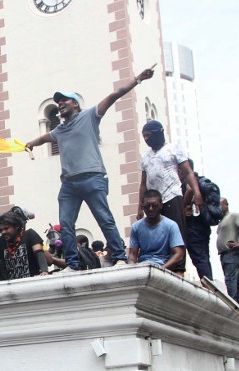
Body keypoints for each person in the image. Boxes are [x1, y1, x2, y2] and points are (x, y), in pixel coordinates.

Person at [23, 65, 157, 269]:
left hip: (92, 178)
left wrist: (138, 79)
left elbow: (114, 95)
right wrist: (31, 143)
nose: (60, 104)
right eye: (57, 102)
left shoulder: (90, 116)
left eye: (64, 100)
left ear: (75, 104)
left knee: (104, 218)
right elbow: (44, 138)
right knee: (66, 225)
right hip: (69, 184)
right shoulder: (59, 130)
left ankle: (120, 256)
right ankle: (73, 264)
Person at [136, 119, 201, 276]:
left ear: (159, 133)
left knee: (176, 232)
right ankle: (162, 264)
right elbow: (143, 184)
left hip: (171, 195)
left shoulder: (173, 149)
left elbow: (187, 172)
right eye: (143, 136)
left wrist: (197, 192)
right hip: (153, 201)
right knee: (157, 233)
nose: (146, 139)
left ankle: (179, 269)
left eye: (149, 135)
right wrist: (140, 206)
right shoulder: (145, 157)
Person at [0, 211, 47, 283]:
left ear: (17, 226)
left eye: (6, 228)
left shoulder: (30, 235)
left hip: (31, 284)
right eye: (1, 230)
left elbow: (39, 252)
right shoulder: (1, 241)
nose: (3, 232)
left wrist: (44, 271)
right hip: (12, 287)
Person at [127, 190, 185, 271]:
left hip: (164, 267)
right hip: (143, 268)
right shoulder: (136, 227)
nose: (150, 209)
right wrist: (132, 268)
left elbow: (179, 254)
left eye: (155, 205)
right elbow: (132, 255)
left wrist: (161, 270)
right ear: (142, 206)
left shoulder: (171, 225)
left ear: (161, 205)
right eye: (147, 206)